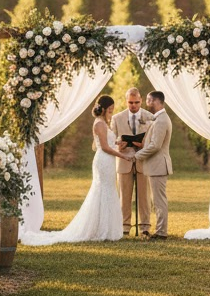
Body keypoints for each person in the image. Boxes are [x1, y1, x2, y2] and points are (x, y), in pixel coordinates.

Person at [19, 95, 130, 246]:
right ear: (103, 109)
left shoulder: (104, 123)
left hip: (108, 160)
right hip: (104, 160)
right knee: (103, 191)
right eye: (110, 109)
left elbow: (105, 144)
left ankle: (107, 228)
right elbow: (103, 147)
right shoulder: (100, 124)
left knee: (108, 190)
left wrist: (118, 146)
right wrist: (121, 155)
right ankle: (101, 229)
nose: (112, 112)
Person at [111, 87, 153, 236]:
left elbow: (155, 140)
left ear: (141, 100)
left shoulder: (150, 117)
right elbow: (111, 140)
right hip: (123, 160)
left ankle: (145, 227)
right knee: (124, 195)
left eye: (136, 102)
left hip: (143, 160)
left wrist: (144, 145)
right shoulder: (117, 118)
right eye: (130, 103)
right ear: (126, 102)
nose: (133, 105)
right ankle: (124, 227)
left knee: (144, 196)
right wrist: (118, 144)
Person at [133, 91, 173, 239]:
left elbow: (155, 145)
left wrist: (137, 156)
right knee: (157, 200)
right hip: (156, 166)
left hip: (158, 166)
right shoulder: (159, 118)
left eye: (148, 100)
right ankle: (160, 230)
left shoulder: (162, 120)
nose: (146, 104)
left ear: (156, 101)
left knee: (159, 201)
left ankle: (161, 232)